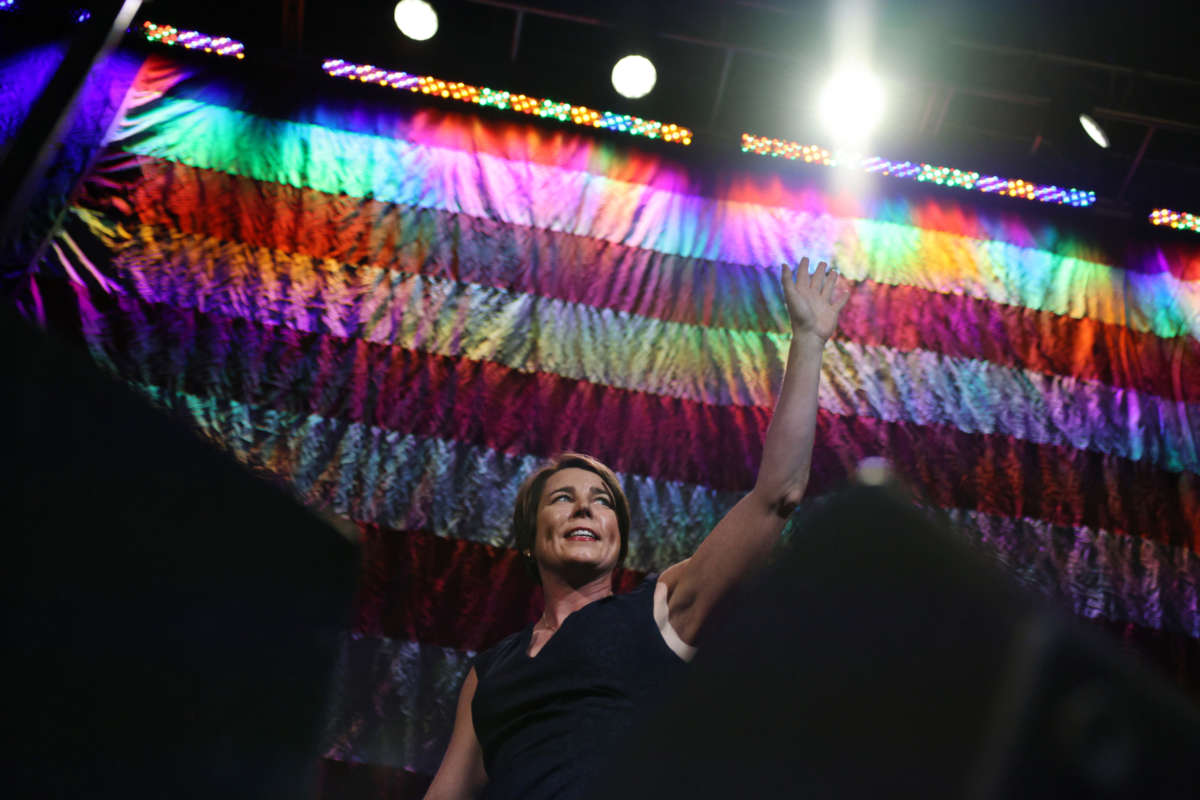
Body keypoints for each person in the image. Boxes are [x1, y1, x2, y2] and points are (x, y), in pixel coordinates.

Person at [424, 258, 849, 799]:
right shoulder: (489, 674)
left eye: (601, 502)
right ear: (530, 537)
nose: (585, 509)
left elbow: (776, 497)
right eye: (563, 498)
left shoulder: (658, 610)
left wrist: (809, 340)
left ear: (617, 536)